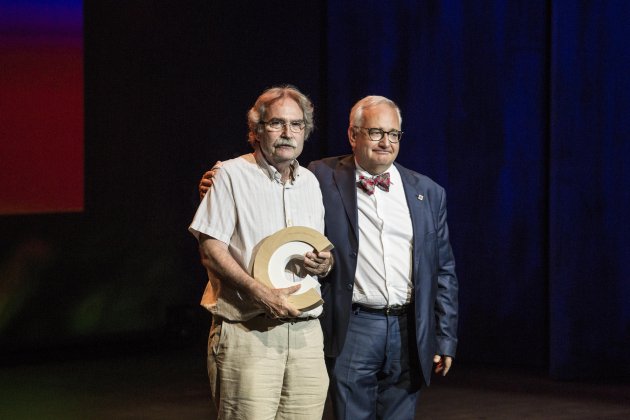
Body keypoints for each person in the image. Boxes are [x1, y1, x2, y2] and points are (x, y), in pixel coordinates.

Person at [200, 95, 458, 420]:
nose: (385, 142)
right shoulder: (322, 176)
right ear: (353, 135)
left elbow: (443, 270)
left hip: (408, 329)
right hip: (353, 326)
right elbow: (225, 224)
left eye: (393, 134)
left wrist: (445, 336)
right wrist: (215, 181)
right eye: (376, 132)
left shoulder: (428, 192)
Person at [189, 85, 333, 420]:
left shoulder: (310, 183)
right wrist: (260, 293)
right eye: (276, 124)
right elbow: (210, 250)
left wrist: (325, 263)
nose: (287, 133)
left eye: (296, 125)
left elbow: (316, 247)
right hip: (248, 331)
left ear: (306, 132)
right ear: (256, 131)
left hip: (305, 334)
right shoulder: (229, 175)